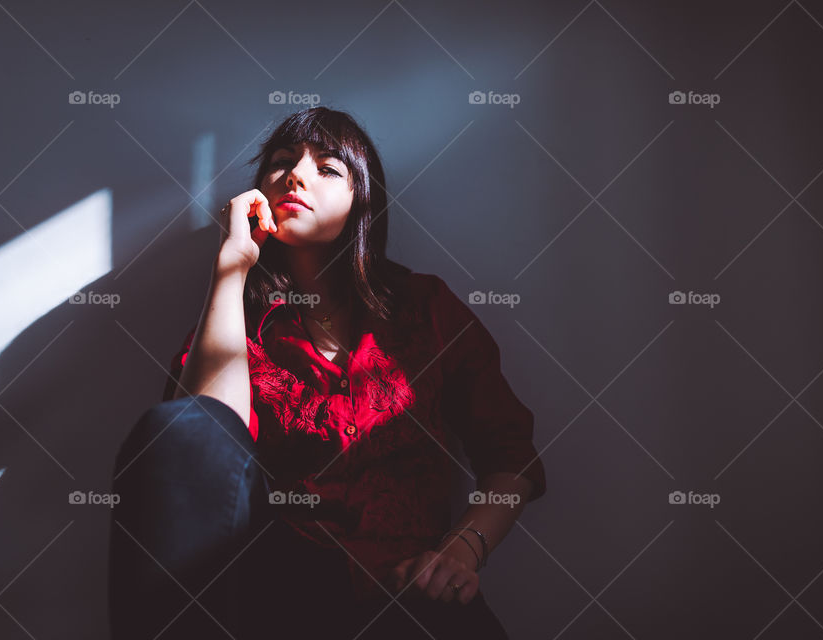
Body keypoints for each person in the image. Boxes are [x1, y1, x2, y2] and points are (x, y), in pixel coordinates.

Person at [108, 106, 547, 639]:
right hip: (273, 591)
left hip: (408, 592)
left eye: (329, 169)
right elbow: (201, 442)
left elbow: (511, 458)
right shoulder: (236, 323)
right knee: (172, 429)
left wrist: (460, 553)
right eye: (282, 162)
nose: (295, 175)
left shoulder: (426, 307)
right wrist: (232, 265)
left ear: (363, 202)